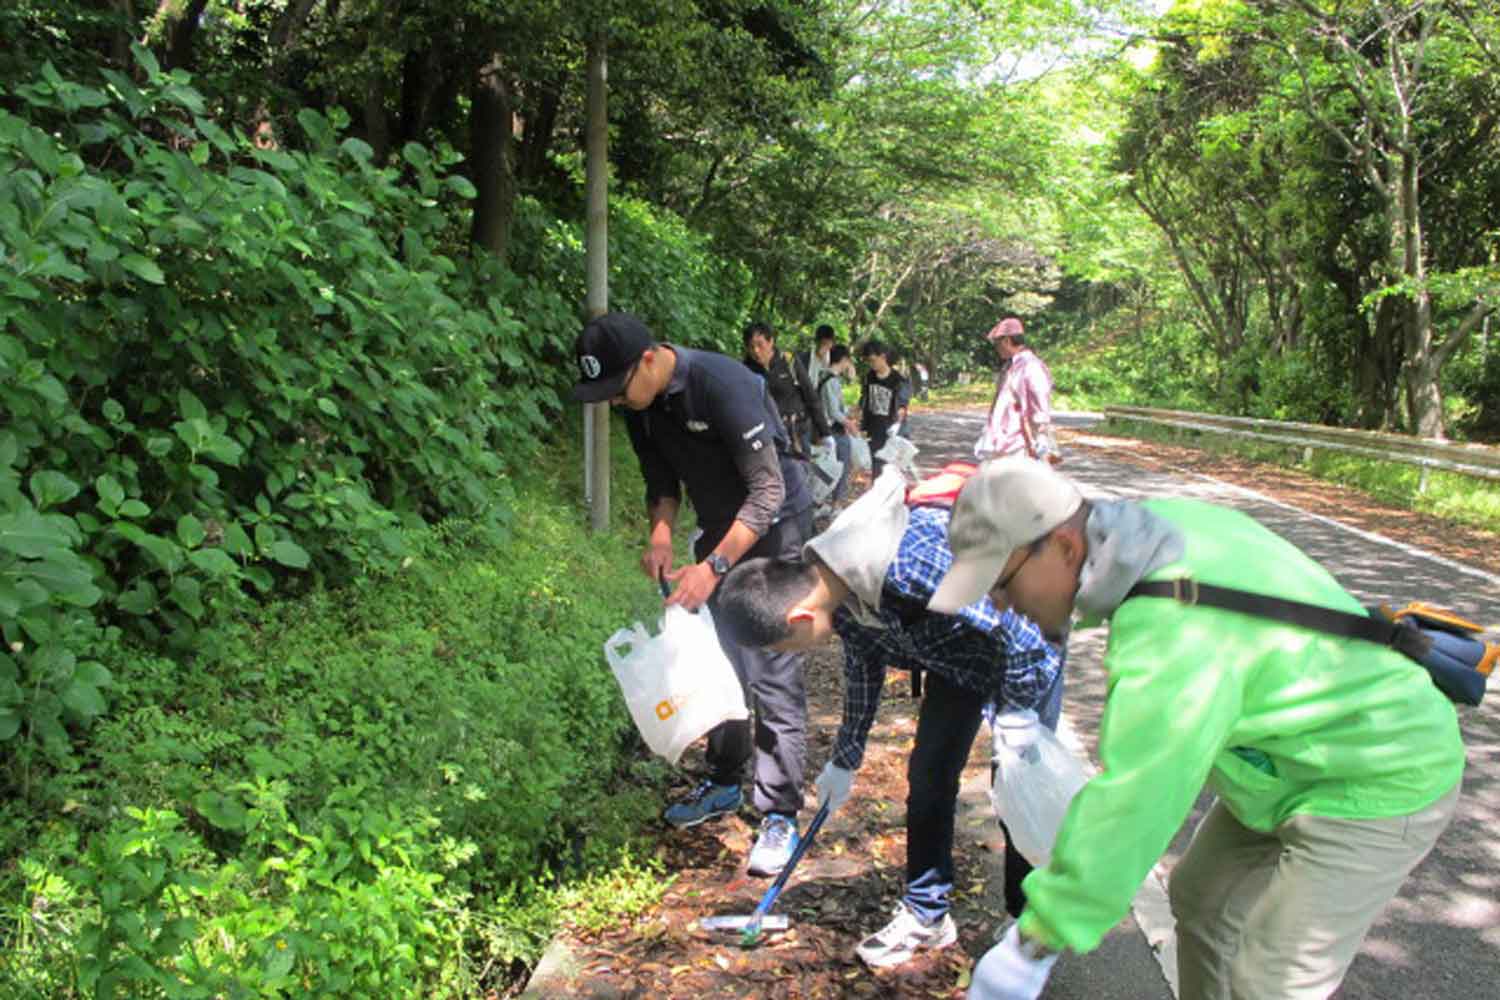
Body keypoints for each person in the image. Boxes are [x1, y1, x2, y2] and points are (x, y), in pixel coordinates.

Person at [927, 458, 1466, 1000]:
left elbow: (1138, 799)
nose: (1000, 605)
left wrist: (1035, 942)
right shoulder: (1158, 531)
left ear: (1066, 547)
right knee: (1202, 902)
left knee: (1273, 983)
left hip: (1378, 770)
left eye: (1001, 582)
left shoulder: (1170, 626)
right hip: (1288, 760)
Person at [716, 468, 1064, 970]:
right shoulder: (833, 586)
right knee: (929, 776)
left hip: (1029, 642)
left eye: (784, 648)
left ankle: (1029, 922)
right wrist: (846, 758)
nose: (792, 656)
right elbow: (865, 662)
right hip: (956, 652)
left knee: (1017, 789)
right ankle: (927, 913)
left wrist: (1019, 722)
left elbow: (1028, 638)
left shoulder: (910, 565)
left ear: (798, 618)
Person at [570, 312, 817, 877]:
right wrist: (660, 536)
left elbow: (767, 490)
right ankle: (725, 780)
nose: (614, 402)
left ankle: (780, 813)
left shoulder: (721, 384)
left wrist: (713, 568)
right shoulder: (639, 406)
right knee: (719, 658)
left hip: (776, 524)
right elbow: (661, 483)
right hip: (718, 526)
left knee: (770, 663)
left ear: (649, 359)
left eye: (618, 389)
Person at [973, 318, 1060, 465]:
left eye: (997, 344)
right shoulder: (1011, 366)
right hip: (1003, 442)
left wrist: (1040, 435)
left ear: (1007, 341)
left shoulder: (1031, 366)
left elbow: (1039, 401)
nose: (996, 349)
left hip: (1020, 445)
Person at [743, 321, 832, 458]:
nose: (756, 351)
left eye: (760, 345)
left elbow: (810, 395)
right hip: (769, 437)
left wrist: (825, 432)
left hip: (798, 432)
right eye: (751, 347)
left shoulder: (789, 361)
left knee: (803, 469)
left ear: (771, 341)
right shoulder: (746, 370)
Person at [858, 340, 910, 478]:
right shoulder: (869, 377)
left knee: (892, 472)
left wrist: (897, 425)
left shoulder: (899, 380)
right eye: (868, 361)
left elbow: (902, 406)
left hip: (892, 432)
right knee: (876, 471)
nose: (871, 364)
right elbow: (864, 399)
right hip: (874, 431)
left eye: (873, 360)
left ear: (883, 357)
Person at [816, 344, 859, 506]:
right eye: (848, 361)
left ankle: (823, 503)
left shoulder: (823, 376)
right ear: (844, 360)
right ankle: (835, 504)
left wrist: (848, 410)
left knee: (827, 468)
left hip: (825, 430)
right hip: (834, 430)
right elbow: (833, 412)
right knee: (843, 466)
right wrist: (849, 424)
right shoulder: (831, 380)